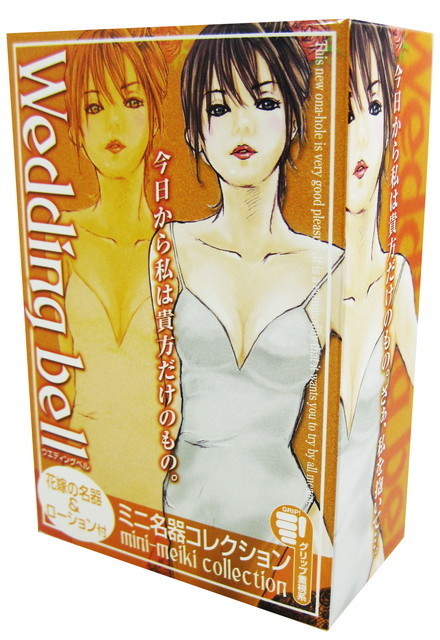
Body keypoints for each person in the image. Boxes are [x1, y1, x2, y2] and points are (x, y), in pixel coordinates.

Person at [152, 23, 342, 551]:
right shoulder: (170, 249)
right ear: (195, 131)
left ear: (293, 117)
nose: (242, 125)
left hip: (291, 531)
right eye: (218, 107)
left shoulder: (330, 268)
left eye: (264, 102)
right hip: (181, 522)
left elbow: (368, 415)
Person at [62, 28, 172, 508]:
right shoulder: (57, 238)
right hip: (80, 484)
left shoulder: (184, 247)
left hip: (167, 486)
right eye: (93, 106)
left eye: (130, 101)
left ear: (153, 113)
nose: (113, 122)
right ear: (76, 127)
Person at [331, 22, 417, 621]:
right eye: (343, 112)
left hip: (365, 573)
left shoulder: (396, 281)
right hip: (286, 568)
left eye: (375, 106)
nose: (361, 135)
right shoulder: (297, 278)